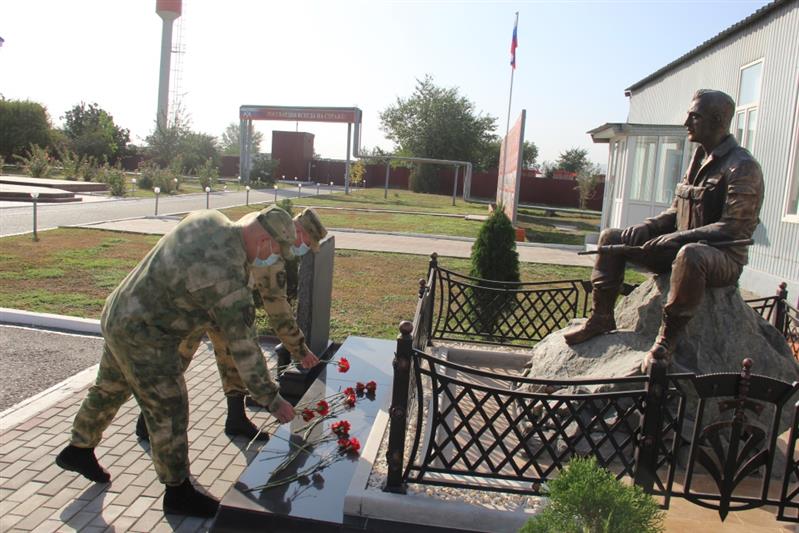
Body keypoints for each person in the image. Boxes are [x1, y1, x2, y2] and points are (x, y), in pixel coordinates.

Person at [55, 205, 312, 518]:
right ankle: (178, 492)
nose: (269, 258)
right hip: (147, 336)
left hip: (119, 312)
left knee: (110, 387)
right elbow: (245, 347)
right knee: (170, 408)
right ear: (263, 242)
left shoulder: (210, 218)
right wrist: (272, 399)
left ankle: (78, 449)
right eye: (274, 250)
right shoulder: (228, 277)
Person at [564, 89, 764, 372]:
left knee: (691, 255)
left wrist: (679, 237)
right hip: (678, 248)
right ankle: (602, 316)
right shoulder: (697, 159)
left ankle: (666, 341)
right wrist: (647, 228)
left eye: (694, 116)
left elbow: (733, 228)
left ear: (718, 119)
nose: (686, 123)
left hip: (721, 258)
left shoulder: (742, 167)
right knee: (612, 237)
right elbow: (675, 211)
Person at [133, 207, 329, 443]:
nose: (303, 249)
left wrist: (298, 348)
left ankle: (236, 418)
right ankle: (146, 419)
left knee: (233, 362)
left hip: (226, 307)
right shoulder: (271, 245)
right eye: (306, 242)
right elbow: (277, 307)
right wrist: (299, 349)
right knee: (176, 361)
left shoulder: (262, 221)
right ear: (297, 231)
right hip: (198, 302)